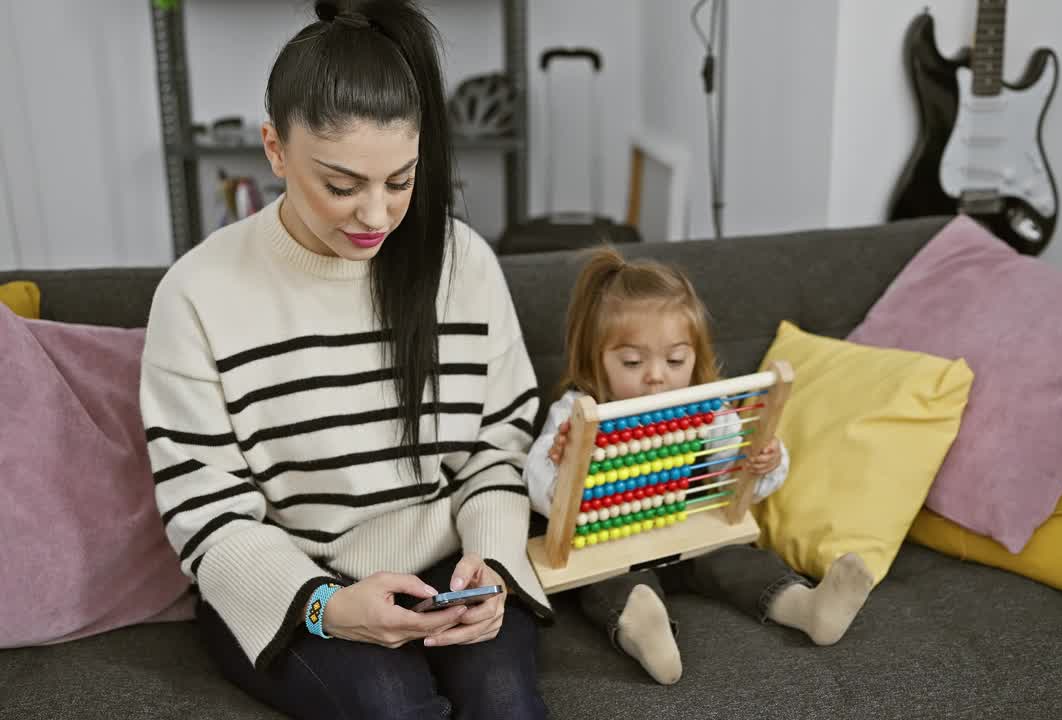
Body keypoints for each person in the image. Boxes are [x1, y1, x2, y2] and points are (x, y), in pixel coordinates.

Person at [139, 2, 550, 717]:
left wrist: (494, 565)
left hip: (451, 568)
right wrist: (328, 607)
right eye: (341, 185)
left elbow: (499, 445)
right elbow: (206, 510)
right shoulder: (197, 294)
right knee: (390, 708)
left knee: (506, 703)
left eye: (401, 180)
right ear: (274, 149)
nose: (376, 217)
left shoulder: (466, 266)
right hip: (295, 584)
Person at [524, 248, 875, 685]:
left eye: (675, 360)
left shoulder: (708, 410)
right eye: (632, 362)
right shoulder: (578, 412)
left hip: (683, 533)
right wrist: (562, 465)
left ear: (696, 356)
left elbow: (735, 477)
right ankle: (644, 625)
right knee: (606, 583)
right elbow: (535, 486)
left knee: (736, 559)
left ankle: (805, 607)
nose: (656, 376)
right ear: (596, 358)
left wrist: (762, 465)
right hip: (608, 545)